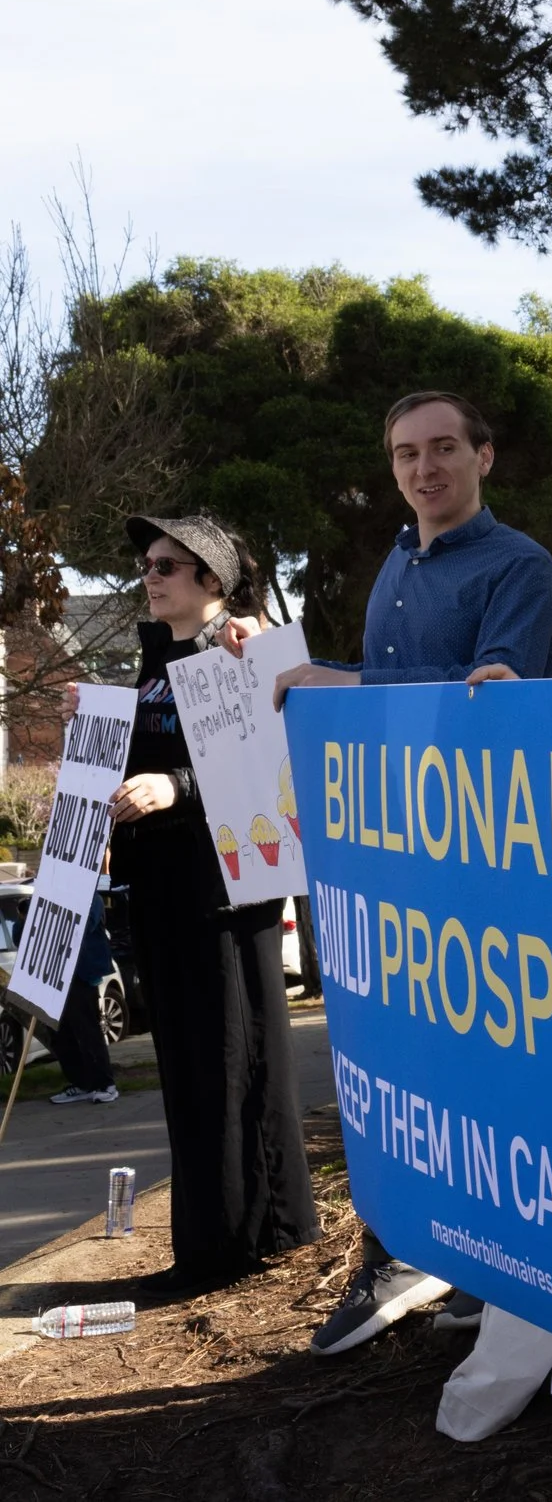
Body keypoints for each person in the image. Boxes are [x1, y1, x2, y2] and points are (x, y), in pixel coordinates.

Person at [281, 390, 552, 1355]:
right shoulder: (396, 563)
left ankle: (494, 1275)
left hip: (484, 865)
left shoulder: (520, 565)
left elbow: (497, 700)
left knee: (488, 1073)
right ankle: (420, 1252)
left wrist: (347, 683)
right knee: (414, 1070)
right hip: (397, 861)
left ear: (484, 456)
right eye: (406, 453)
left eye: (444, 448)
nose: (424, 468)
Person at [107, 513, 319, 1294]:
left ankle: (253, 1239)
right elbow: (145, 763)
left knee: (237, 1060)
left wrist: (175, 789)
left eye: (168, 564)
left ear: (213, 582)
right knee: (190, 1071)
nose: (150, 575)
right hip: (162, 891)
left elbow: (264, 770)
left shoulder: (242, 652)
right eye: (149, 564)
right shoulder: (151, 662)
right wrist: (99, 738)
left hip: (228, 893)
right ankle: (205, 1244)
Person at [47, 883, 119, 1105]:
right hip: (56, 973)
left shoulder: (90, 898)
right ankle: (81, 1082)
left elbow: (80, 927)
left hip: (81, 973)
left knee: (87, 1029)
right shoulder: (54, 895)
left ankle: (105, 1083)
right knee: (60, 1031)